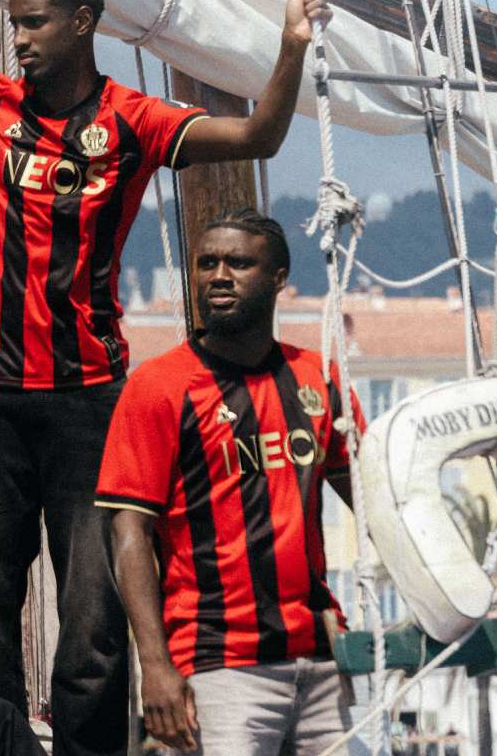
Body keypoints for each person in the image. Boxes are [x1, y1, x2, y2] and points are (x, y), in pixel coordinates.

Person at [0, 0, 329, 756]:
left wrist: (291, 46)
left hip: (90, 404)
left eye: (34, 22)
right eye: (14, 24)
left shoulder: (133, 121)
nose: (20, 38)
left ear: (83, 23)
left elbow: (258, 136)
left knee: (93, 629)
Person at [96, 209, 366, 756]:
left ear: (279, 277)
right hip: (219, 663)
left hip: (321, 653)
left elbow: (378, 503)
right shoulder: (158, 386)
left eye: (238, 264)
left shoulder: (321, 380)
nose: (219, 276)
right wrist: (155, 665)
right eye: (207, 264)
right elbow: (129, 533)